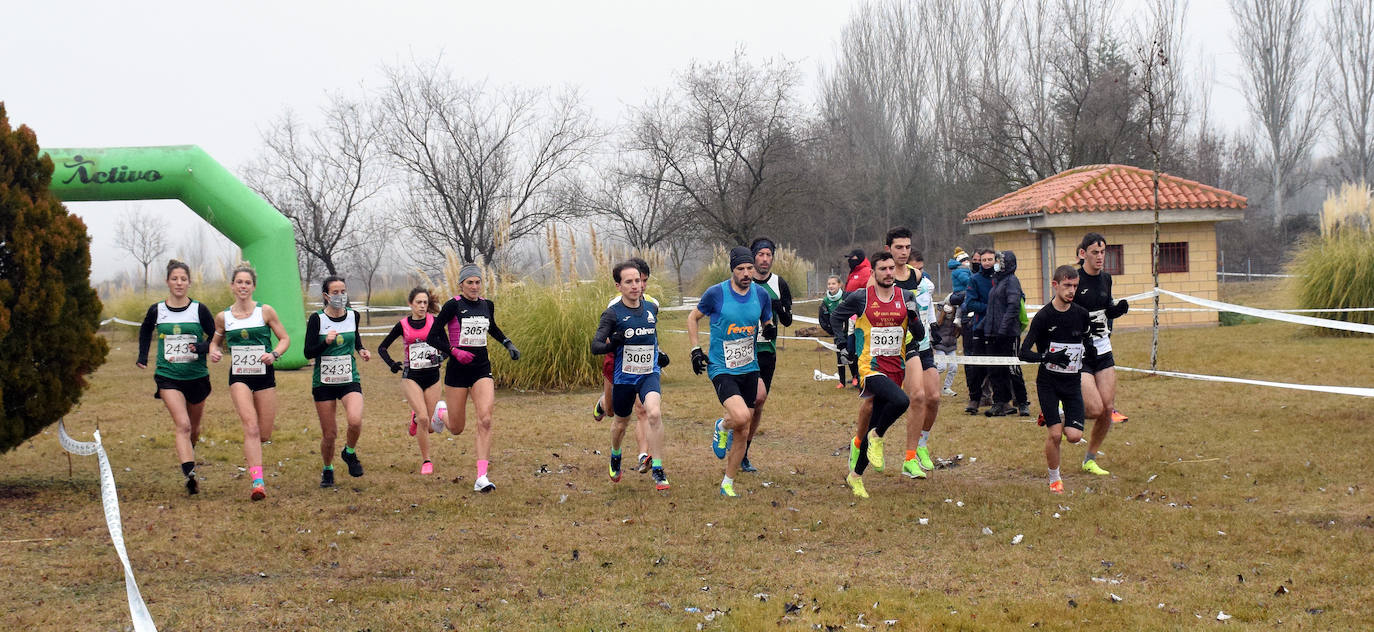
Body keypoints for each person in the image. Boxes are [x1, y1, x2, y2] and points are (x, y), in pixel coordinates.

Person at [829, 252, 924, 498]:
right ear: (874, 273)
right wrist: (842, 344)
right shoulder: (862, 297)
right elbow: (835, 316)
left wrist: (912, 317)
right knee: (902, 401)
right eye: (883, 269)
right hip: (869, 367)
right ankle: (877, 435)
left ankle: (855, 476)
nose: (889, 273)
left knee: (876, 418)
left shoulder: (907, 297)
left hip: (896, 367)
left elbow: (920, 334)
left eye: (892, 268)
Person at [686, 246, 774, 498]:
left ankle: (728, 482)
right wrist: (695, 349)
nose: (746, 273)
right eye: (741, 269)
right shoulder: (716, 293)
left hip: (749, 366)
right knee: (742, 417)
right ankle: (722, 426)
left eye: (749, 269)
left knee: (743, 430)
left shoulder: (761, 294)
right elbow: (693, 318)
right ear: (732, 270)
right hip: (721, 367)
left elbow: (767, 321)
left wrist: (769, 329)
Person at [428, 262, 521, 493]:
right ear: (461, 285)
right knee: (457, 428)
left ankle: (482, 477)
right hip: (457, 370)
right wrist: (454, 351)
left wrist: (507, 343)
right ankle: (441, 413)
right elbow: (433, 336)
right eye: (470, 282)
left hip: (481, 368)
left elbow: (493, 328)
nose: (474, 286)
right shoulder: (452, 306)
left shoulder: (487, 305)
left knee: (486, 419)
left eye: (478, 282)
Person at [207, 263, 290, 500]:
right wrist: (214, 351)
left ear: (253, 287)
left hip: (264, 374)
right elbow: (215, 342)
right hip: (240, 376)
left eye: (247, 283)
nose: (243, 286)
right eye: (239, 282)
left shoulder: (265, 312)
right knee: (250, 427)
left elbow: (284, 339)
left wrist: (274, 354)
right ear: (232, 286)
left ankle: (255, 459)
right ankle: (258, 482)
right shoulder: (223, 317)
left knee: (263, 433)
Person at [136, 259, 216, 495]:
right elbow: (144, 330)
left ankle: (188, 454)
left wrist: (201, 348)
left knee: (193, 427)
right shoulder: (157, 310)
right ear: (167, 282)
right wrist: (143, 356)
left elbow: (216, 337)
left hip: (197, 376)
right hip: (167, 376)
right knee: (182, 424)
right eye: (175, 279)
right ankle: (190, 474)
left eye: (183, 279)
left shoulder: (199, 310)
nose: (179, 283)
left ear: (189, 282)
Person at [590, 261, 671, 490]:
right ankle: (616, 454)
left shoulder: (651, 308)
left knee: (653, 413)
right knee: (620, 423)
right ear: (619, 286)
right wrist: (612, 344)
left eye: (638, 281)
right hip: (624, 378)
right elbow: (595, 346)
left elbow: (650, 337)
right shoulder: (612, 314)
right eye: (629, 282)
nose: (636, 286)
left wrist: (660, 354)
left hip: (648, 374)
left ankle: (657, 467)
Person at [1019, 265, 1096, 493]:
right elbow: (1023, 353)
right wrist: (1047, 357)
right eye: (1067, 286)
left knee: (1074, 436)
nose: (1072, 290)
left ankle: (1056, 413)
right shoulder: (1044, 317)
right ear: (1055, 285)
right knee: (1055, 434)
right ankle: (1055, 478)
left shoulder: (1081, 314)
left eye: (1075, 286)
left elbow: (1087, 341)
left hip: (1072, 383)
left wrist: (1089, 350)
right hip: (1049, 382)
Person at [304, 276, 371, 488]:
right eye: (335, 292)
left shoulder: (354, 315)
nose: (340, 296)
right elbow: (307, 352)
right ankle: (328, 469)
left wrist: (361, 350)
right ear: (325, 296)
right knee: (330, 434)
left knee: (355, 420)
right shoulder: (317, 319)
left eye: (343, 291)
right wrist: (326, 342)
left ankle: (349, 453)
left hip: (348, 378)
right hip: (323, 382)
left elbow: (356, 338)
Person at [1075, 233, 1131, 476]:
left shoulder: (1106, 279)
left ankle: (1090, 458)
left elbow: (1105, 307)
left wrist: (1115, 311)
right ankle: (1064, 405)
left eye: (1103, 252)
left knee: (1107, 409)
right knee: (1095, 409)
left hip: (1102, 347)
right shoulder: (1074, 279)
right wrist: (1083, 328)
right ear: (1083, 254)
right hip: (1079, 350)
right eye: (1095, 252)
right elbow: (1060, 311)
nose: (1100, 257)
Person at [376, 287, 445, 475]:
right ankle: (426, 461)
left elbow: (447, 348)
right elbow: (382, 348)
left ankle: (414, 418)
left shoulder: (435, 322)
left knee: (429, 426)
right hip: (411, 377)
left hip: (432, 377)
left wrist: (440, 358)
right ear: (410, 304)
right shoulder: (402, 325)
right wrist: (391, 364)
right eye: (418, 303)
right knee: (424, 418)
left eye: (425, 302)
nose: (422, 306)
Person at [742, 237, 793, 472]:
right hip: (742, 350)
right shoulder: (743, 280)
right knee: (749, 402)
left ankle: (743, 451)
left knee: (759, 403)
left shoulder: (779, 283)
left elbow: (788, 320)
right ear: (753, 256)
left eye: (768, 255)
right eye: (760, 254)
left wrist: (777, 304)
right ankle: (734, 439)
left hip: (766, 351)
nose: (764, 259)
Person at [982, 251, 1027, 417]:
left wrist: (1003, 329)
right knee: (995, 370)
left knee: (1013, 368)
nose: (997, 263)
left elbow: (1013, 306)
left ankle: (1022, 402)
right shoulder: (997, 282)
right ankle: (1000, 402)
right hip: (992, 334)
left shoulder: (1012, 281)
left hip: (1008, 334)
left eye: (1000, 261)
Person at [962, 249, 995, 415]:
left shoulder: (1001, 278)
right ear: (979, 262)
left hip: (999, 330)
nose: (987, 262)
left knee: (1003, 366)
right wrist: (991, 309)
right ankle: (974, 399)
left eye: (990, 259)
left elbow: (1019, 297)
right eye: (984, 259)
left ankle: (1006, 400)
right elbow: (970, 303)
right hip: (980, 327)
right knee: (978, 367)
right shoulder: (974, 280)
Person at [818, 275, 847, 388]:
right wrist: (831, 330)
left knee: (851, 354)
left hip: (848, 331)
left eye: (833, 283)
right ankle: (842, 382)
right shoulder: (825, 301)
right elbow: (823, 318)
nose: (831, 286)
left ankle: (855, 377)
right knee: (839, 355)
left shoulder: (845, 297)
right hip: (837, 333)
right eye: (829, 284)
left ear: (840, 285)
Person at [933, 293, 961, 397]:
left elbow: (957, 332)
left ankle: (946, 388)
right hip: (940, 344)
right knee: (941, 367)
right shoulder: (940, 313)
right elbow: (936, 325)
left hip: (951, 345)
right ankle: (929, 383)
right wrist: (943, 313)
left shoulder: (958, 315)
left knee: (954, 367)